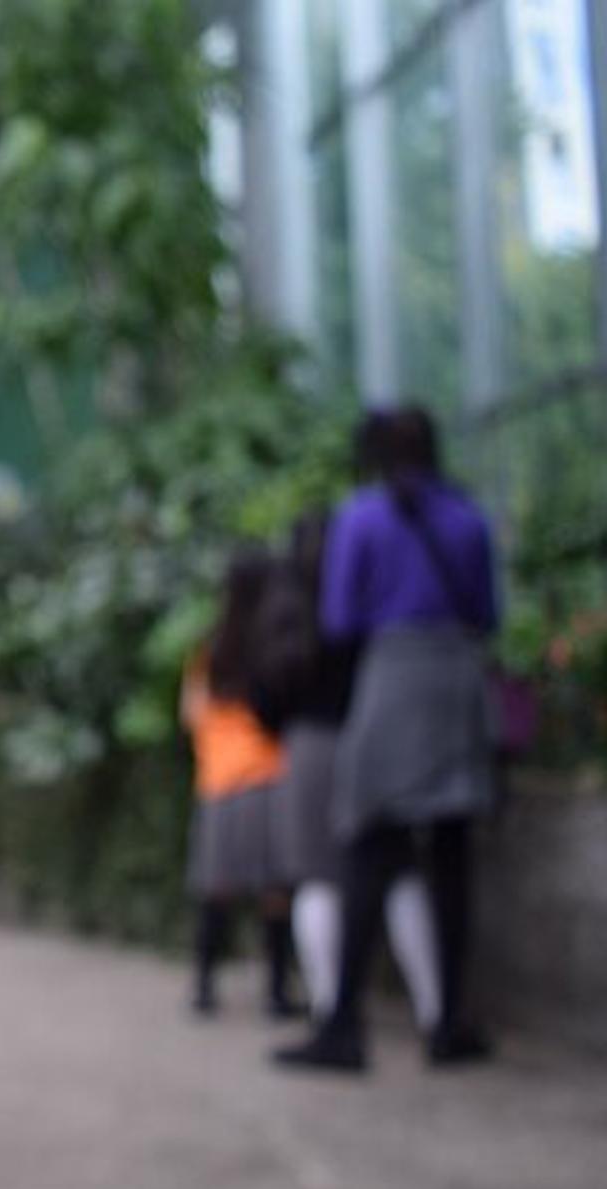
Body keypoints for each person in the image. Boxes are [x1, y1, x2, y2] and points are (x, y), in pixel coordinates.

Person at [277, 407, 498, 1073]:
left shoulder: (362, 517)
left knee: (366, 843)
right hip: (459, 678)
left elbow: (340, 618)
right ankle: (448, 1021)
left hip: (393, 677)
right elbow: (488, 613)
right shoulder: (468, 517)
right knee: (452, 854)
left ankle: (343, 1023)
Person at [255, 513, 443, 1032]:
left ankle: (331, 1010)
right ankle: (434, 1010)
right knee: (399, 867)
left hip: (312, 744)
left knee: (317, 876)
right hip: (376, 736)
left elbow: (266, 697)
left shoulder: (288, 612)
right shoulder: (367, 604)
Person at [181, 548, 296, 1018]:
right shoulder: (275, 646)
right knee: (274, 891)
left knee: (216, 888)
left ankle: (205, 988)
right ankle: (275, 995)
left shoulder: (210, 649)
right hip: (268, 775)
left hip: (218, 780)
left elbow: (190, 714)